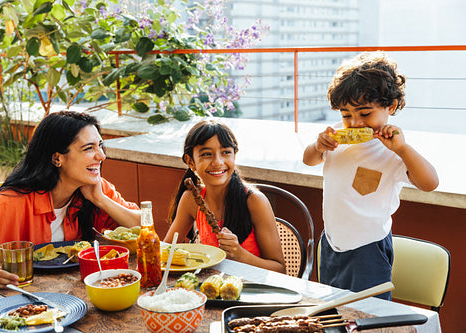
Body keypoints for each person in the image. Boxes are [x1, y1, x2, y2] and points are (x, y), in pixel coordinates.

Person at [303, 51, 439, 299]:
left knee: (369, 315)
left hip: (368, 249)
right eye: (346, 115)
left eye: (365, 114)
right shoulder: (335, 137)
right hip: (331, 243)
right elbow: (308, 159)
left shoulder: (393, 149)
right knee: (331, 311)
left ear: (391, 106)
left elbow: (430, 183)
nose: (354, 123)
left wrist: (403, 149)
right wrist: (318, 146)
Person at [0, 111, 141, 291]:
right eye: (88, 148)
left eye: (100, 146)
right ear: (57, 158)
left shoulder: (95, 189)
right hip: (19, 302)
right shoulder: (7, 206)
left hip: (75, 294)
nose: (101, 156)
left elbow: (144, 229)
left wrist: (101, 200)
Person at [164, 119, 286, 273]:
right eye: (207, 154)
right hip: (208, 287)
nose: (218, 162)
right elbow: (166, 251)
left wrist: (240, 254)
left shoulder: (255, 201)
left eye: (226, 152)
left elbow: (280, 270)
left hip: (251, 290)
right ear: (190, 162)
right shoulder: (192, 199)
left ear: (235, 155)